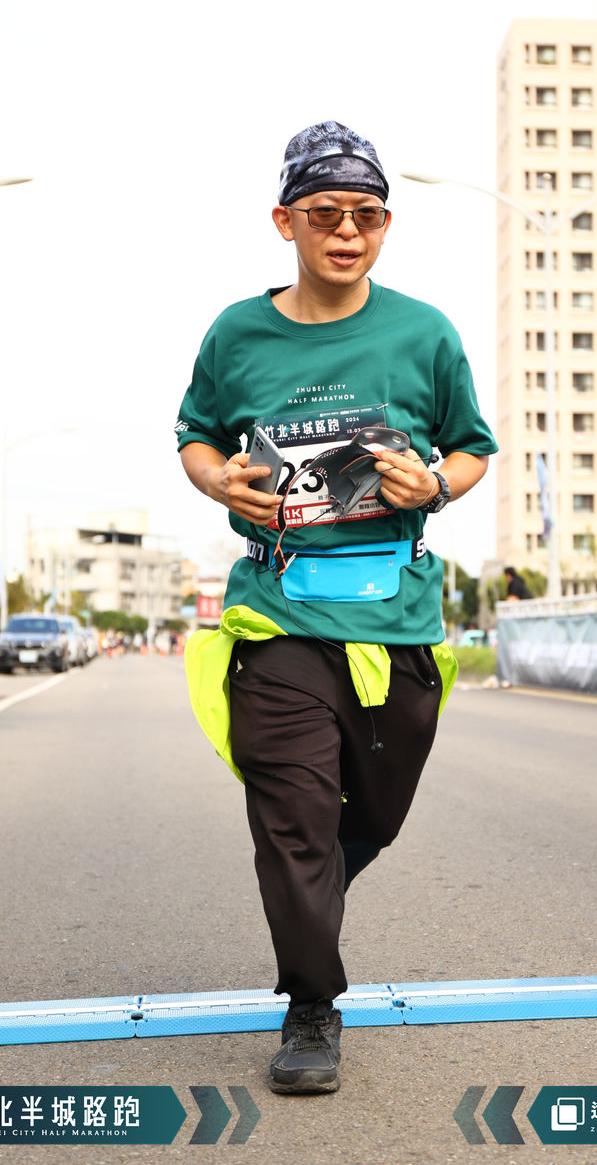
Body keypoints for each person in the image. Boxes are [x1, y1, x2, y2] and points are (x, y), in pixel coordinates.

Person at [175, 120, 497, 1095]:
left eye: (366, 214)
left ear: (385, 225)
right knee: (296, 817)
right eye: (324, 214)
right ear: (285, 221)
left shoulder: (423, 333)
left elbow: (471, 448)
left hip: (395, 616)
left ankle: (307, 887)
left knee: (375, 816)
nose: (346, 231)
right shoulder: (237, 333)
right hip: (277, 612)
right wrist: (218, 480)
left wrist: (432, 483)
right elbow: (195, 435)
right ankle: (311, 1005)